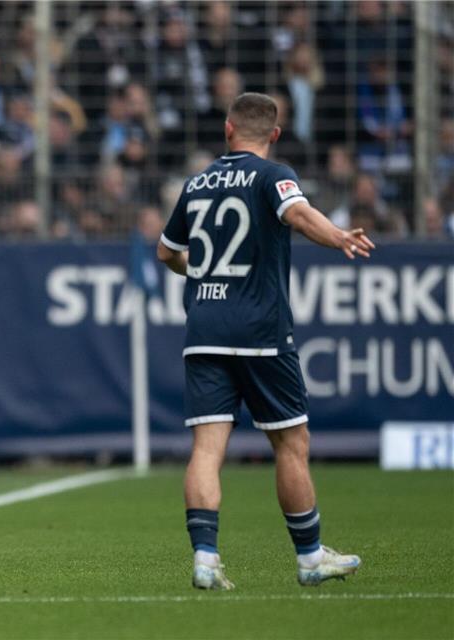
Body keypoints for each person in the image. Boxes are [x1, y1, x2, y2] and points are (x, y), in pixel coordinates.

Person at [156, 93, 373, 591]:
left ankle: (206, 561)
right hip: (260, 332)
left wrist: (202, 271)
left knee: (207, 450)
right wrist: (338, 235)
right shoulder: (273, 175)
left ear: (228, 128)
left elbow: (166, 252)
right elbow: (298, 214)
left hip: (205, 329)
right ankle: (310, 555)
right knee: (291, 444)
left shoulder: (197, 182)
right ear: (274, 135)